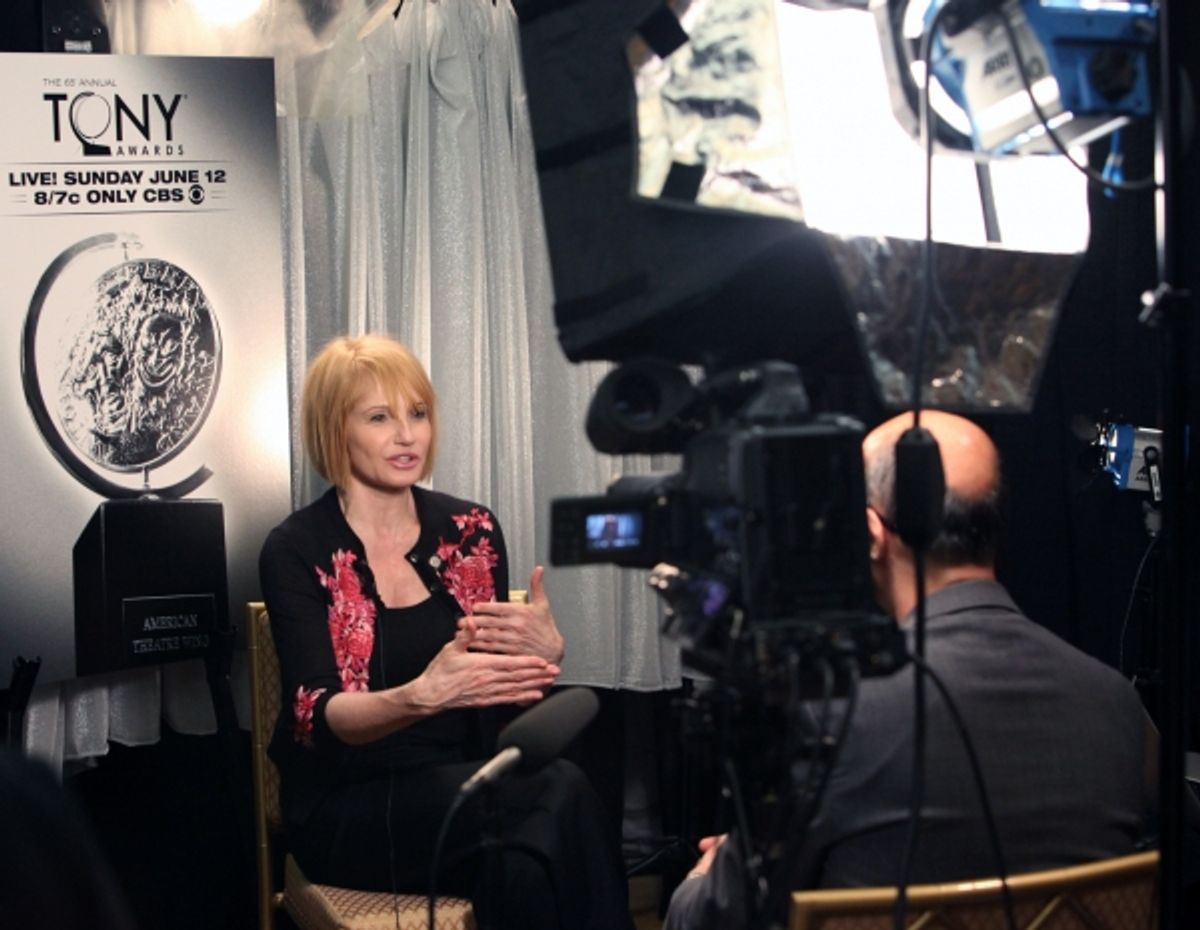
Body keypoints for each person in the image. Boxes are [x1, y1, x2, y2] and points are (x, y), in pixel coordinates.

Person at [664, 409, 1159, 930]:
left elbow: (708, 921)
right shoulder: (1115, 701)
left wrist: (710, 874)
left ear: (871, 534)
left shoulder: (830, 709)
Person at [259, 333, 635, 930]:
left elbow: (495, 693)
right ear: (337, 429)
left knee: (526, 860)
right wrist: (420, 696)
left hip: (472, 787)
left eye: (418, 413)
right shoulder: (296, 547)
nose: (407, 435)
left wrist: (541, 657)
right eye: (380, 417)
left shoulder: (469, 529)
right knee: (553, 799)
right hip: (351, 806)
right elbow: (314, 714)